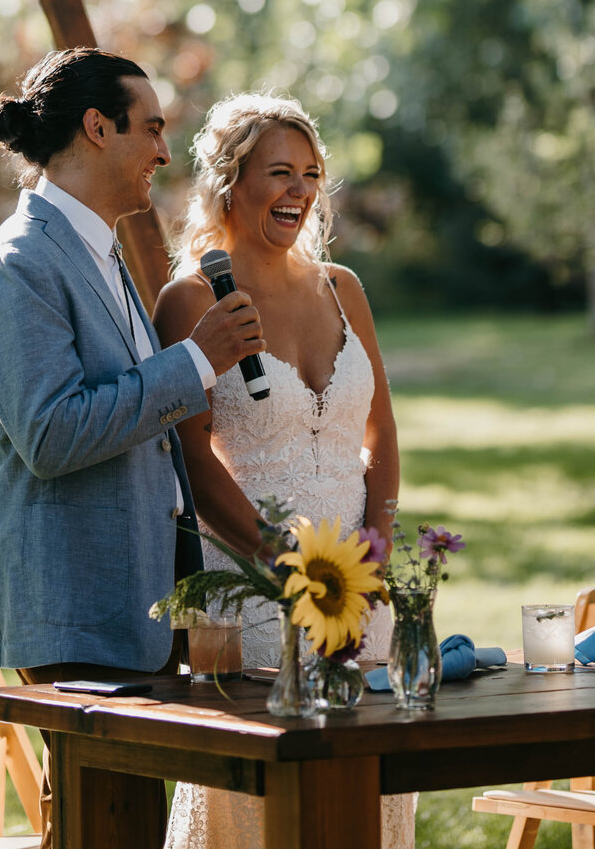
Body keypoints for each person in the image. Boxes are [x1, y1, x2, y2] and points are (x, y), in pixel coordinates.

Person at [0, 47, 266, 849]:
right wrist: (196, 360)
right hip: (72, 616)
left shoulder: (102, 252)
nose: (165, 152)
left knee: (131, 828)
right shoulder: (17, 267)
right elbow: (52, 435)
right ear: (98, 128)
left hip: (135, 610)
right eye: (152, 129)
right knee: (106, 833)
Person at [154, 91, 411, 849]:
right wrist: (285, 571)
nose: (299, 190)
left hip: (361, 597)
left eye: (310, 173)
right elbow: (192, 459)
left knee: (370, 801)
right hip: (255, 601)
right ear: (230, 184)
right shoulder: (191, 299)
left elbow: (382, 428)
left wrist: (377, 548)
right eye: (278, 172)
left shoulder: (344, 288)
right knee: (267, 811)